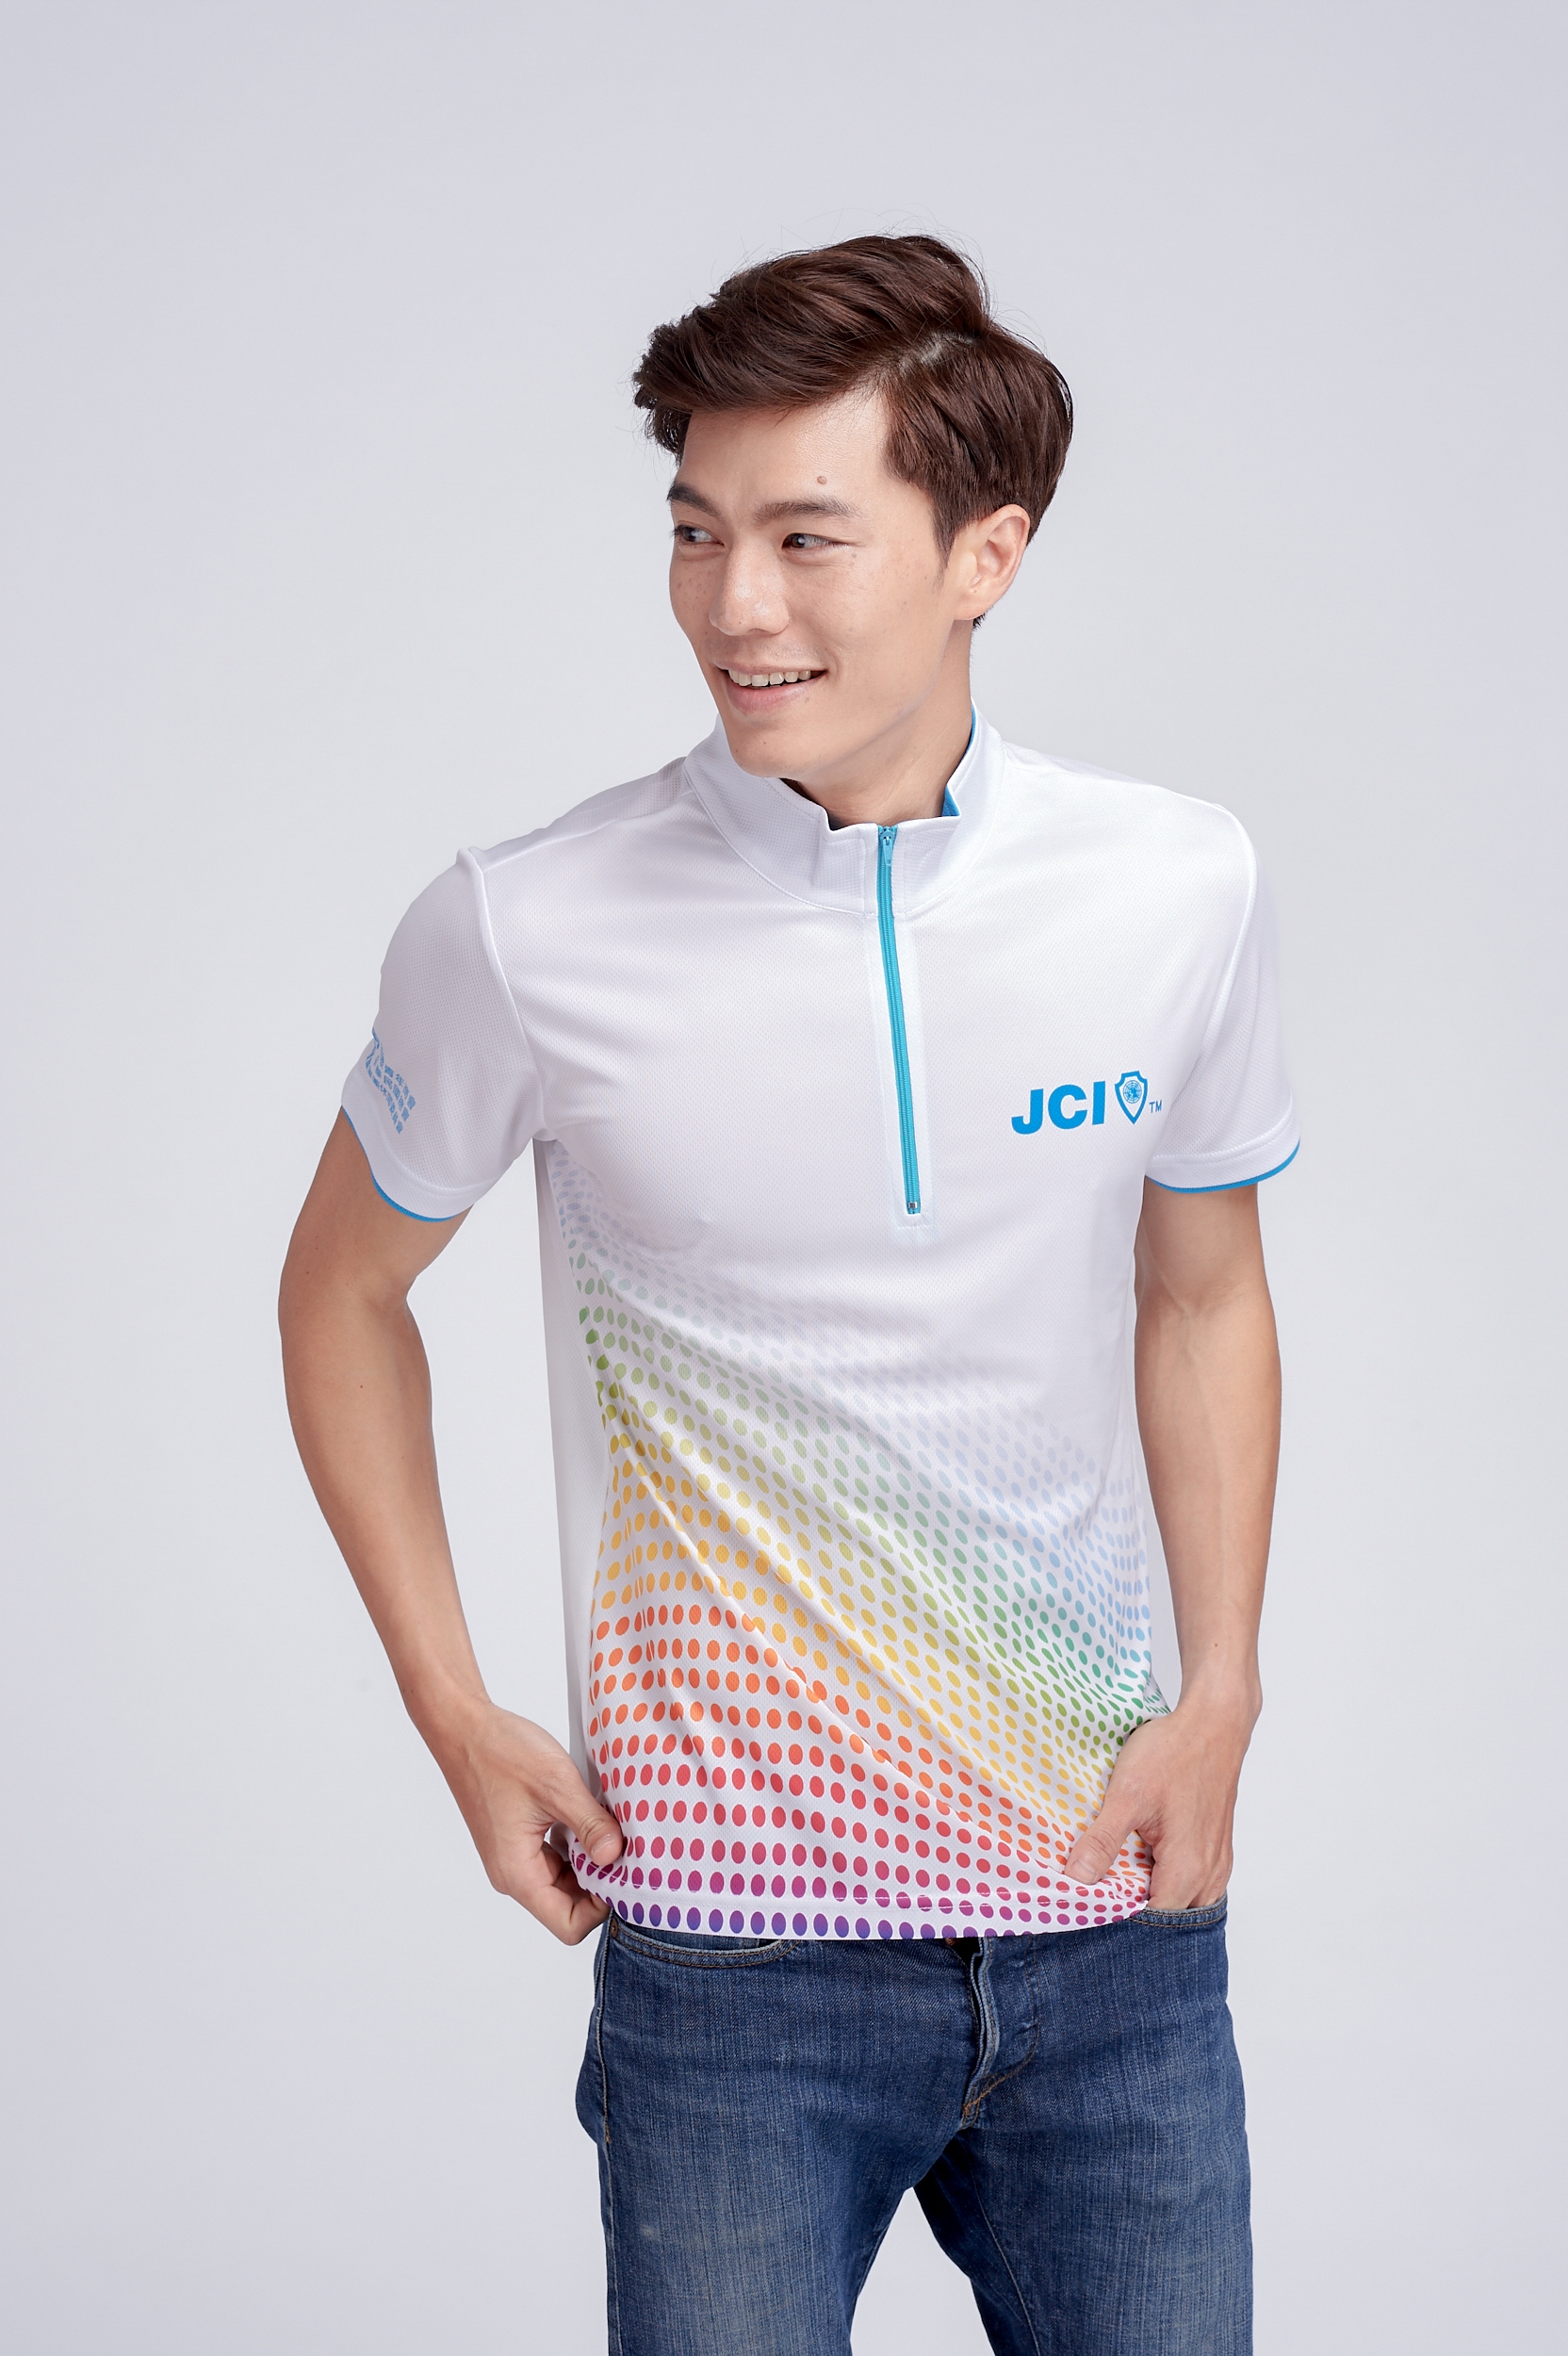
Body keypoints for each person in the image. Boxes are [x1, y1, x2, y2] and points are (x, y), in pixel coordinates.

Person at [279, 233, 1297, 2356]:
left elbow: (1202, 1294)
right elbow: (341, 1294)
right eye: (696, 531)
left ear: (986, 553)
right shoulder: (528, 924)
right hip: (733, 1957)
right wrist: (454, 1707)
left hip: (1111, 1930)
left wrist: (1222, 1689)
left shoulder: (1177, 886)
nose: (733, 605)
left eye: (806, 537)